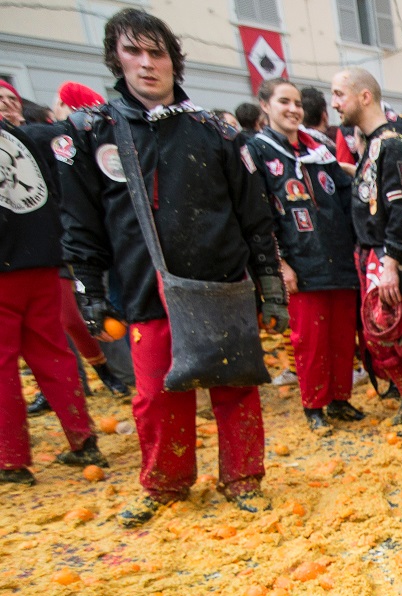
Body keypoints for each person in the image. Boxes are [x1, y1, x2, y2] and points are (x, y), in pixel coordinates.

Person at [59, 9, 286, 526]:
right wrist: (89, 291)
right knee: (156, 396)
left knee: (235, 389)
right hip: (144, 289)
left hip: (221, 286)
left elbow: (256, 218)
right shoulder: (91, 134)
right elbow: (81, 225)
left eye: (156, 52)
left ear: (173, 61)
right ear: (115, 58)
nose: (146, 64)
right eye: (133, 51)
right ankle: (166, 482)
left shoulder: (219, 136)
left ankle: (243, 477)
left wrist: (270, 287)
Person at [247, 78, 362, 435]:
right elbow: (258, 214)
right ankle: (315, 405)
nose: (293, 109)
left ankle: (340, 398)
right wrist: (279, 263)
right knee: (310, 341)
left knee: (342, 337)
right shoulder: (257, 151)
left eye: (297, 103)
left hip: (339, 259)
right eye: (284, 102)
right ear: (265, 106)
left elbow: (347, 199)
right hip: (300, 262)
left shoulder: (321, 151)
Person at [332, 67, 402, 434]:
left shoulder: (392, 142)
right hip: (370, 255)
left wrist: (392, 260)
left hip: (391, 257)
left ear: (364, 96)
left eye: (339, 95)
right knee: (380, 334)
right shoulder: (371, 143)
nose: (334, 104)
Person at [1, 114, 108, 484]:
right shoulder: (19, 137)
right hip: (43, 259)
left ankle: (11, 459)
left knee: (3, 367)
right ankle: (83, 440)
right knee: (52, 353)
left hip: (6, 266)